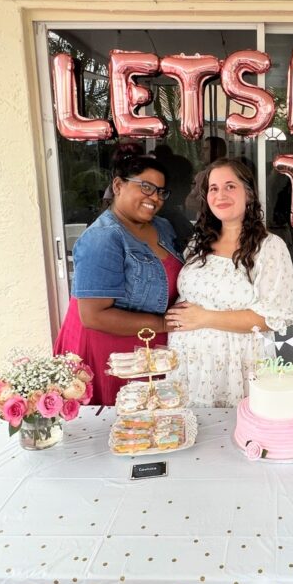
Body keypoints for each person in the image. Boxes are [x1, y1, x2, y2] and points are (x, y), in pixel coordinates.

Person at [54, 145, 183, 405]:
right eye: (146, 186)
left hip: (147, 349)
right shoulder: (104, 237)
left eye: (160, 191)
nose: (155, 197)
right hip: (111, 354)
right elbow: (93, 315)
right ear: (118, 185)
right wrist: (162, 324)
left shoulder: (162, 226)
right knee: (120, 429)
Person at [165, 158, 293, 407]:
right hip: (190, 364)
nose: (221, 195)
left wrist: (205, 318)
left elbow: (273, 317)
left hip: (237, 365)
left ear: (248, 193)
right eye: (213, 188)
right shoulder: (198, 243)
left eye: (230, 186)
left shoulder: (269, 248)